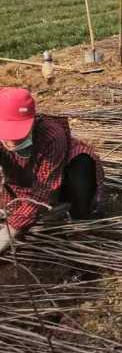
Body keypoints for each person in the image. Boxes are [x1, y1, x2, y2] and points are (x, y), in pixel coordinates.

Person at [0, 87, 104, 254]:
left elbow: (43, 190)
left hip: (59, 181)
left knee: (82, 166)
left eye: (18, 133)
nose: (12, 142)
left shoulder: (52, 136)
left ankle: (79, 217)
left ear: (32, 120)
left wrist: (10, 231)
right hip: (23, 183)